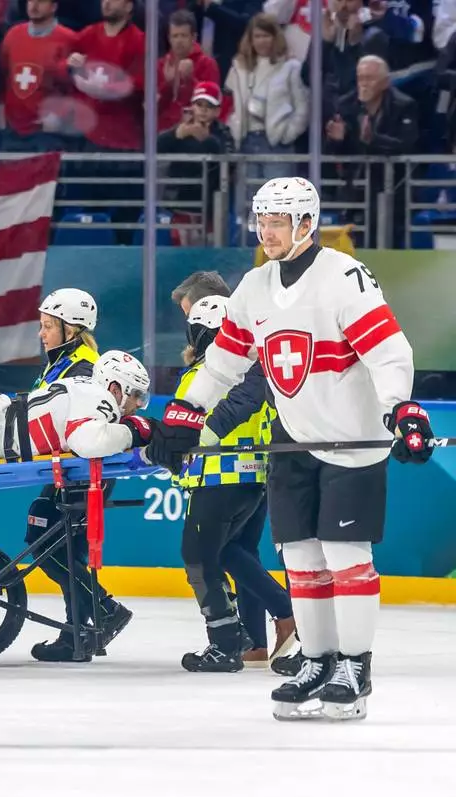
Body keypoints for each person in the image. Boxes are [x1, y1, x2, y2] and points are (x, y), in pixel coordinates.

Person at [147, 176, 430, 721]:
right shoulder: (254, 286)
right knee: (300, 557)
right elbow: (225, 362)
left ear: (306, 223)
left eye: (278, 220)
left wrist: (401, 407)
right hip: (292, 438)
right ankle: (317, 661)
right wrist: (186, 414)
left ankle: (354, 664)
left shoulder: (344, 278)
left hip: (352, 441)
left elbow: (389, 349)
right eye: (262, 220)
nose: (267, 231)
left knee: (346, 557)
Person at [171, 271, 298, 670]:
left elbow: (190, 429)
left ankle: (279, 613)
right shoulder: (253, 371)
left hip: (221, 477)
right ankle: (256, 641)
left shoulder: (209, 378)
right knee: (240, 554)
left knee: (211, 553)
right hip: (254, 476)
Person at [25, 288, 133, 662]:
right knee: (61, 545)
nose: (41, 334)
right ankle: (80, 633)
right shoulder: (62, 363)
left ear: (70, 330)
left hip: (83, 471)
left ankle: (102, 611)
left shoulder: (85, 367)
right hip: (68, 469)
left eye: (48, 326)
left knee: (47, 542)